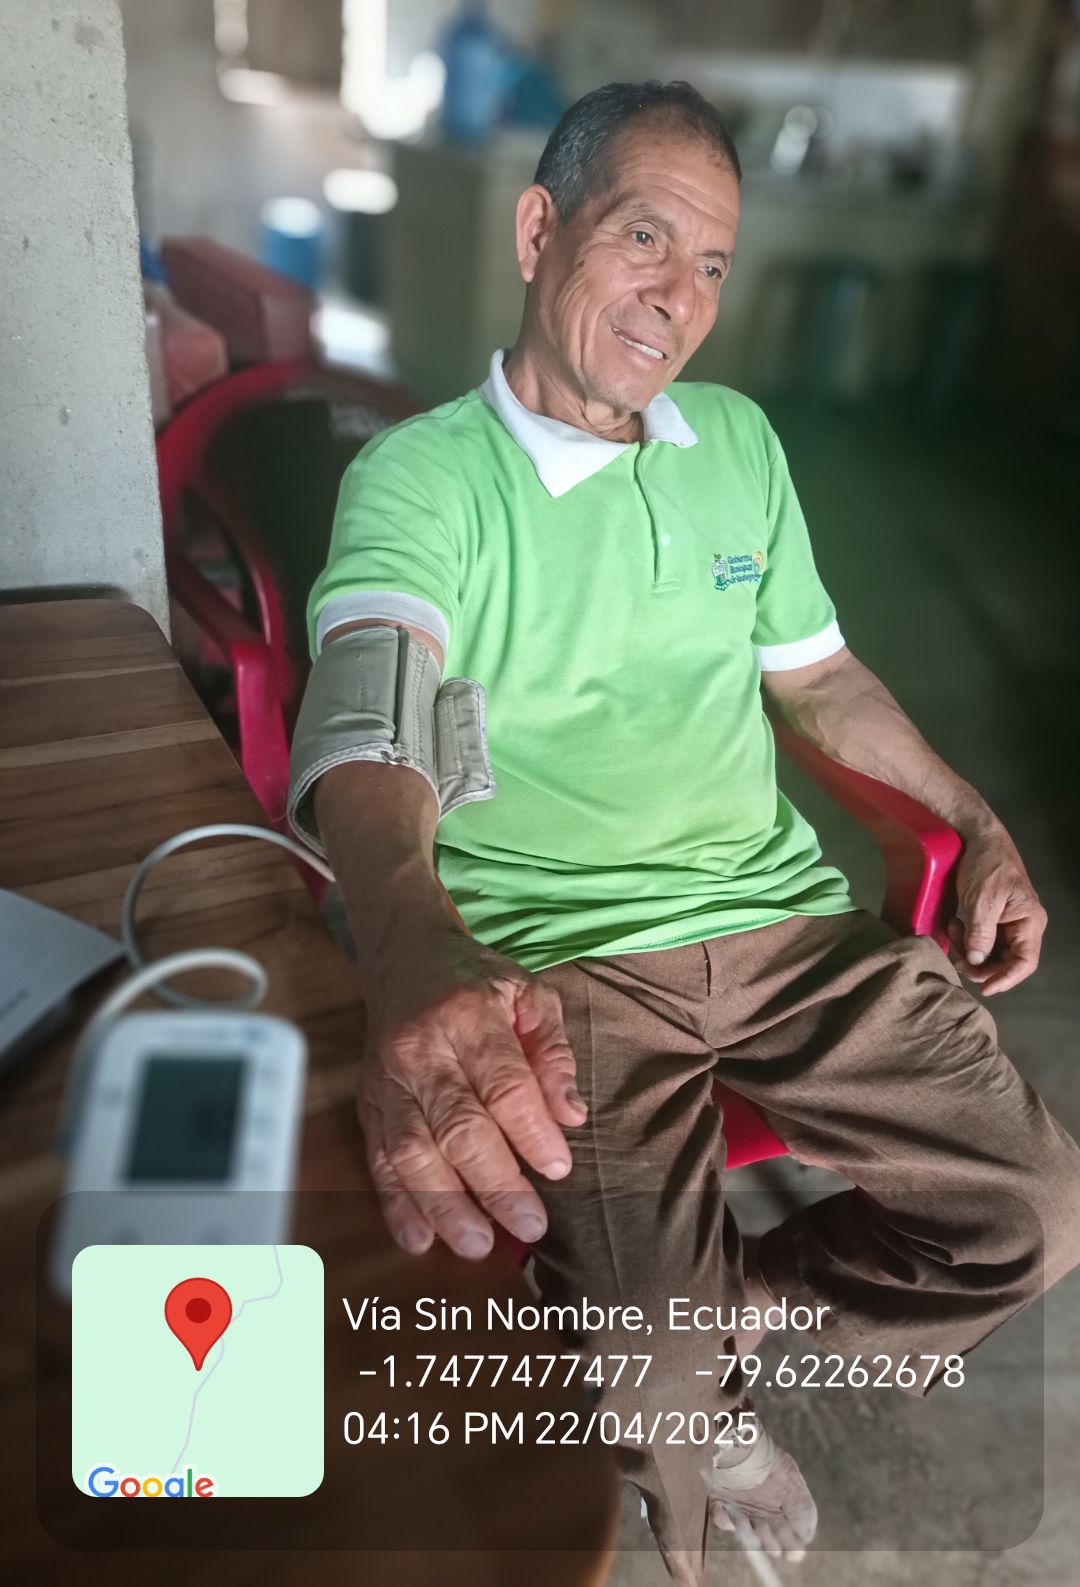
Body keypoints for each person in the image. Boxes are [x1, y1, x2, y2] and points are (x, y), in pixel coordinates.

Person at [287, 80, 1080, 1585]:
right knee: (642, 1372)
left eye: (712, 263)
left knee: (1036, 1210)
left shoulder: (738, 442)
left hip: (783, 928)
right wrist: (406, 943)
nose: (679, 298)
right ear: (540, 230)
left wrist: (974, 820)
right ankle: (693, 1439)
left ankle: (745, 1317)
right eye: (644, 238)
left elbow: (822, 678)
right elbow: (372, 707)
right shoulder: (425, 475)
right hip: (567, 959)